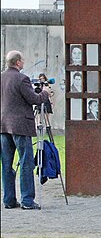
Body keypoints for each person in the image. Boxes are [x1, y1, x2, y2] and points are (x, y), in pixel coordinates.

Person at [1, 51, 51, 210]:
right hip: (21, 126)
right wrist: (45, 93)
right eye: (22, 60)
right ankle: (27, 200)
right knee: (26, 162)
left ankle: (8, 200)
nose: (23, 62)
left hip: (3, 125)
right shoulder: (22, 79)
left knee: (7, 164)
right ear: (17, 62)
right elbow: (34, 99)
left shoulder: (1, 76)